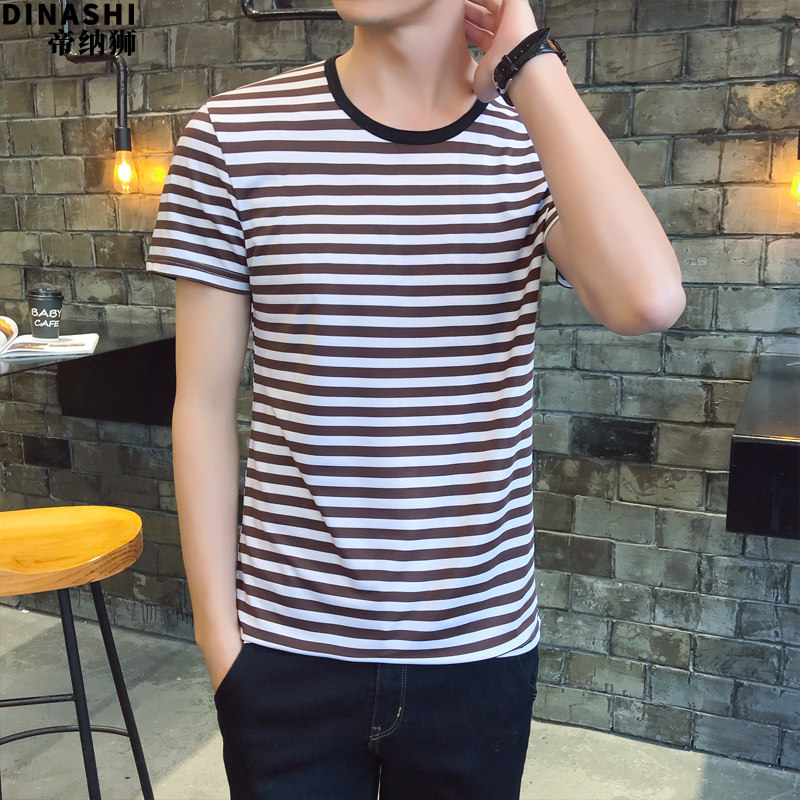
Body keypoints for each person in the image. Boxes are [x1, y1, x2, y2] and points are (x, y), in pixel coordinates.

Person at [145, 1, 686, 797]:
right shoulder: (234, 135)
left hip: (477, 654)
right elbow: (200, 403)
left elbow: (648, 301)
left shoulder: (536, 138)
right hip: (285, 650)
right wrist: (220, 642)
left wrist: (529, 62)